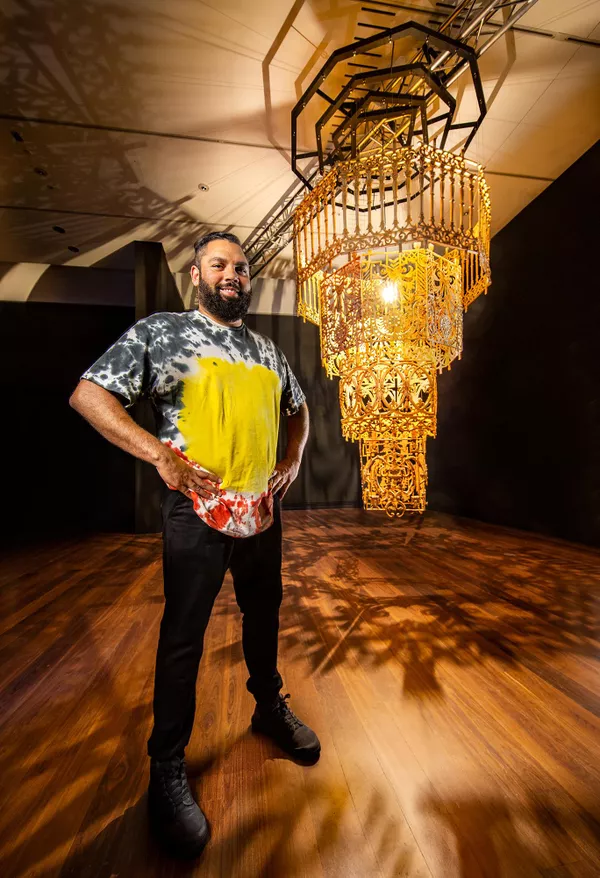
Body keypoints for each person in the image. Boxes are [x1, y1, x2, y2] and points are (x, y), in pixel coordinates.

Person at [69, 231, 320, 860]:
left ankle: (268, 708)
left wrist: (291, 458)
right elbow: (89, 394)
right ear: (196, 275)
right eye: (219, 264)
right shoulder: (162, 332)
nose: (233, 273)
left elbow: (299, 409)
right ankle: (167, 764)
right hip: (197, 511)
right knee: (184, 637)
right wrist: (160, 455)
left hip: (262, 509)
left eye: (241, 267)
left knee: (265, 616)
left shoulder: (267, 350)